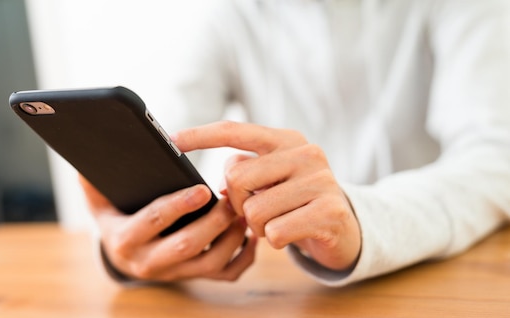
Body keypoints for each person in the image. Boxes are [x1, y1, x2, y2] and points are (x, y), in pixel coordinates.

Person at [80, 0, 510, 287]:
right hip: (296, 304)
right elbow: (162, 135)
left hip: (453, 281)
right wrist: (127, 243)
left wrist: (362, 222)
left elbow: (496, 158)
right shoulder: (232, 14)